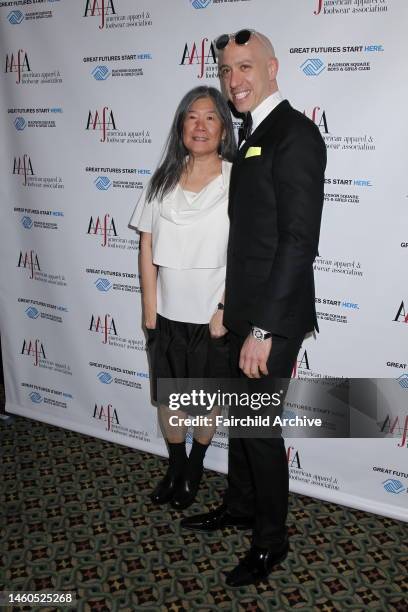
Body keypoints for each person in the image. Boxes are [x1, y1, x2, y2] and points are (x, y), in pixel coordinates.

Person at [181, 30, 327, 587]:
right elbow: (246, 238)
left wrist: (262, 327)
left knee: (260, 432)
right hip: (243, 312)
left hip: (274, 318)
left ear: (272, 68)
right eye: (226, 70)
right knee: (242, 426)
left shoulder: (295, 134)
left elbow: (297, 242)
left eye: (245, 67)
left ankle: (271, 542)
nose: (234, 80)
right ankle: (240, 506)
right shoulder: (250, 136)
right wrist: (227, 307)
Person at [129, 86, 236, 511]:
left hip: (215, 315)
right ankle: (175, 466)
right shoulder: (162, 181)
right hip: (168, 314)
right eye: (192, 117)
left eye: (210, 117)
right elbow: (147, 247)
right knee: (171, 399)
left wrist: (226, 309)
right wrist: (149, 310)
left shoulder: (239, 179)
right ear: (181, 126)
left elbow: (247, 253)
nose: (200, 125)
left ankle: (195, 464)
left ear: (224, 129)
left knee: (208, 401)